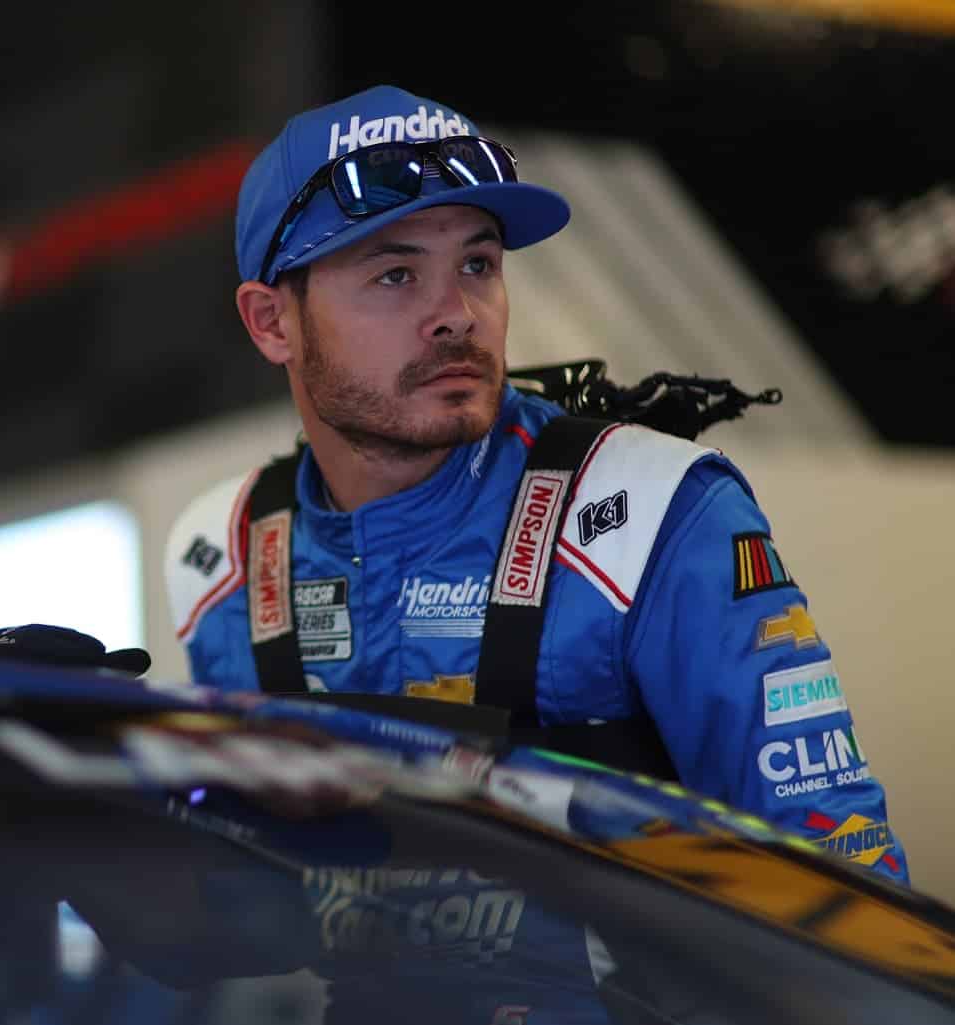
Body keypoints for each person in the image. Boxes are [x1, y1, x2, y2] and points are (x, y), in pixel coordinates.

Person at [164, 84, 907, 1020]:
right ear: (272, 321)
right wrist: (87, 846)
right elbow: (254, 917)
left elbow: (843, 888)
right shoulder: (224, 553)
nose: (457, 314)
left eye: (477, 264)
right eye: (396, 275)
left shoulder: (646, 510)